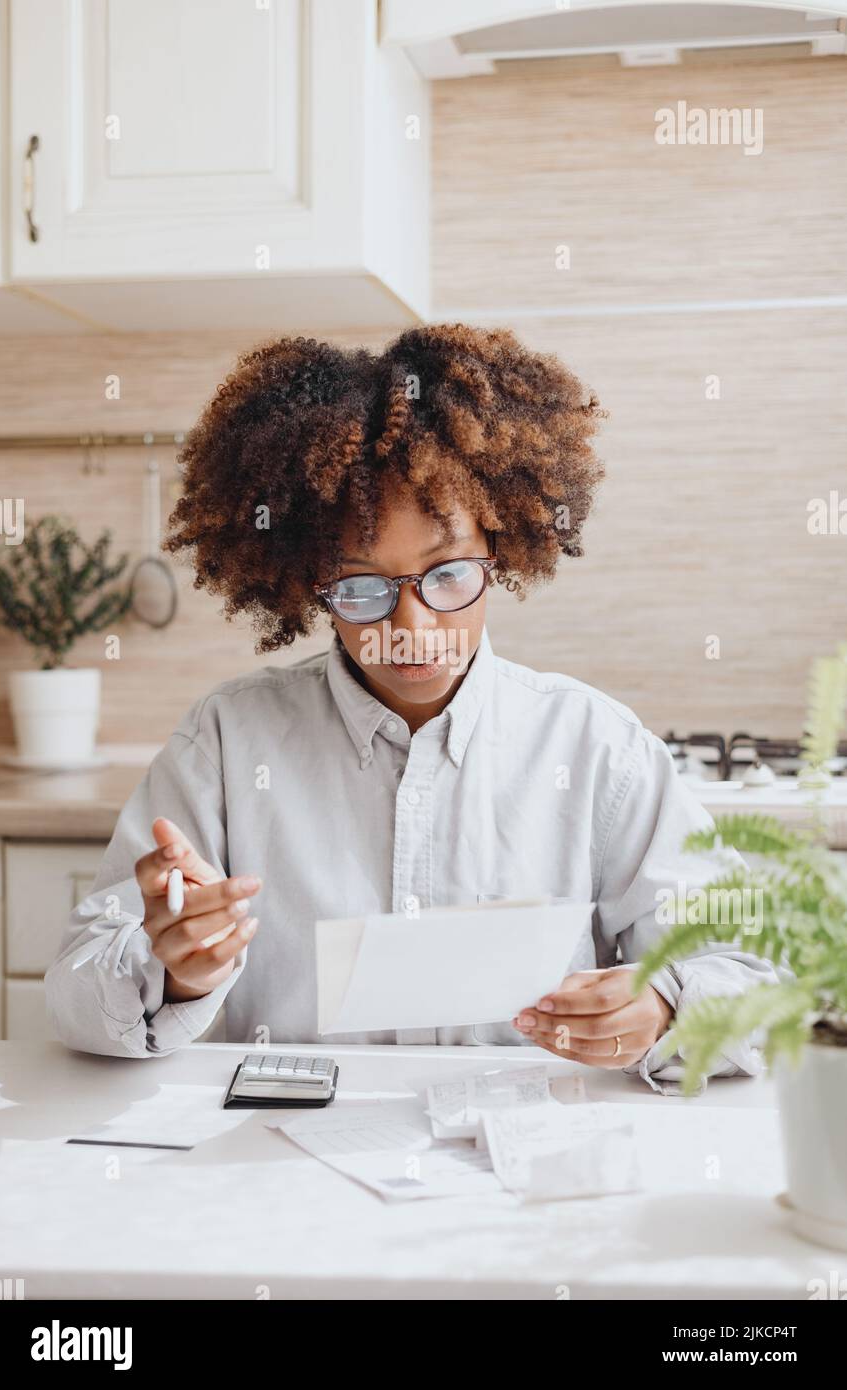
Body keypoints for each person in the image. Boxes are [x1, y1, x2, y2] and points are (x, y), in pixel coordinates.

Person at [45, 324, 778, 1093]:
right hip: (282, 1164)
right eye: (362, 588)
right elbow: (73, 992)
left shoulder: (596, 748)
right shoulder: (229, 743)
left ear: (502, 543)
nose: (412, 631)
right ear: (308, 583)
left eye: (448, 574)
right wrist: (175, 974)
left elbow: (755, 977)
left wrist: (666, 1004)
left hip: (523, 1168)